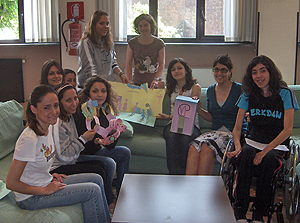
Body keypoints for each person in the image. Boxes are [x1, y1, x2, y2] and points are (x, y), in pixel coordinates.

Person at [6, 84, 110, 223]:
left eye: (55, 105)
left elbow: (37, 163)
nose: (54, 111)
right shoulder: (29, 139)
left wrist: (49, 175)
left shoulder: (48, 128)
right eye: (46, 107)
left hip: (46, 181)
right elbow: (11, 183)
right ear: (33, 109)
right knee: (92, 191)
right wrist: (44, 190)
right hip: (30, 198)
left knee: (96, 178)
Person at [227, 55, 299, 222]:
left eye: (262, 71)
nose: (258, 76)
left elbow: (287, 130)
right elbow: (237, 128)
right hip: (252, 141)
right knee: (243, 156)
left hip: (276, 145)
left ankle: (261, 211)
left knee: (268, 161)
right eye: (254, 72)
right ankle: (240, 209)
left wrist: (265, 151)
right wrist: (237, 146)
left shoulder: (286, 94)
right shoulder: (248, 94)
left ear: (270, 72)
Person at [51, 83, 116, 213]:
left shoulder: (70, 117)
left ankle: (108, 202)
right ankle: (106, 205)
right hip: (60, 166)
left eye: (75, 98)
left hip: (72, 159)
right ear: (60, 102)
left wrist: (97, 140)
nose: (74, 103)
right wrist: (84, 139)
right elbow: (64, 156)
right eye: (68, 100)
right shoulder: (59, 123)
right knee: (100, 170)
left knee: (103, 166)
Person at [185, 55, 247, 175]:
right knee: (194, 147)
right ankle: (190, 189)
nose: (219, 73)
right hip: (215, 133)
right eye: (216, 69)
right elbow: (211, 117)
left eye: (223, 70)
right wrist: (198, 109)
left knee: (207, 148)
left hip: (233, 134)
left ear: (230, 71)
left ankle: (203, 189)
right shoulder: (210, 90)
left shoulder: (240, 89)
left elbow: (246, 114)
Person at [75, 76, 131, 196]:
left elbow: (110, 147)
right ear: (88, 93)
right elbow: (84, 146)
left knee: (125, 152)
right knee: (109, 162)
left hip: (96, 151)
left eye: (103, 91)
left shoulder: (105, 112)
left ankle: (121, 193)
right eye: (95, 91)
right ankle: (109, 199)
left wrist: (115, 134)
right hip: (82, 155)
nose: (100, 94)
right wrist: (95, 142)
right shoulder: (84, 112)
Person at [157, 58, 201, 174]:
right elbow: (155, 94)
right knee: (172, 136)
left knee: (185, 138)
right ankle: (173, 175)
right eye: (173, 69)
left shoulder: (195, 87)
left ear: (186, 70)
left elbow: (192, 111)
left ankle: (183, 174)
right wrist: (159, 84)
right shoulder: (171, 88)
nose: (176, 71)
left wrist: (167, 116)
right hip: (172, 124)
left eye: (179, 68)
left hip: (191, 125)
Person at [77, 10, 129, 90]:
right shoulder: (86, 42)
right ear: (94, 25)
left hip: (106, 85)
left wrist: (121, 74)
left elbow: (113, 64)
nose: (105, 26)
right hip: (90, 87)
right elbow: (90, 68)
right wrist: (99, 86)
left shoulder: (109, 42)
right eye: (102, 23)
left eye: (107, 24)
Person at [125, 13, 165, 88]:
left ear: (151, 26)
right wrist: (130, 80)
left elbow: (161, 64)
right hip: (137, 82)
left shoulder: (159, 43)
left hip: (154, 83)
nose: (143, 28)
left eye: (146, 25)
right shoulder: (132, 43)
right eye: (140, 26)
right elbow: (128, 63)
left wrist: (156, 79)